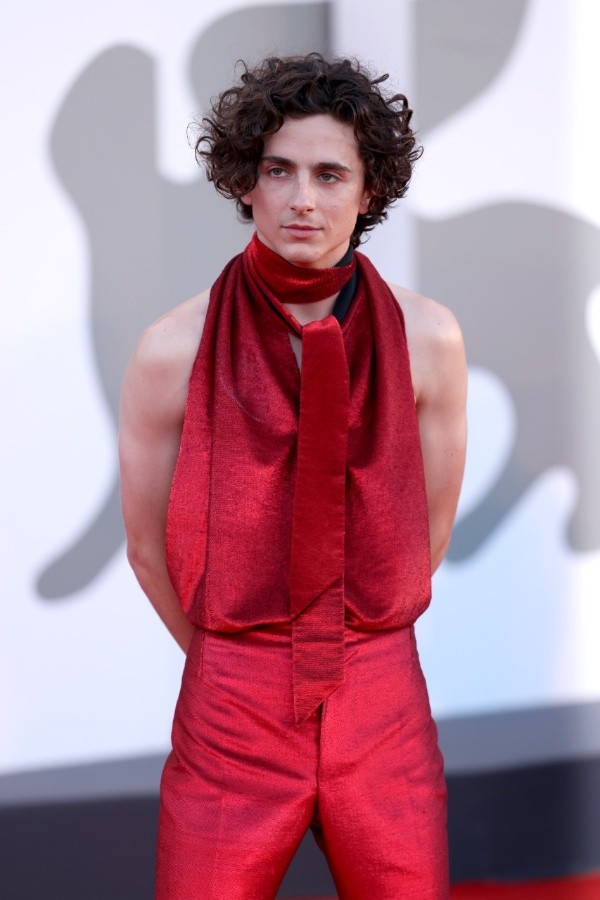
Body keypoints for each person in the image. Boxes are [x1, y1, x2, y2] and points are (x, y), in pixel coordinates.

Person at [119, 53, 467, 900]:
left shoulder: (430, 340)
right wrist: (233, 665)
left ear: (369, 189)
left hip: (380, 694)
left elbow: (429, 531)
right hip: (234, 698)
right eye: (278, 170)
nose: (301, 198)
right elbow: (145, 549)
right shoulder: (173, 348)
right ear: (247, 182)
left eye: (328, 173)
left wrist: (352, 643)